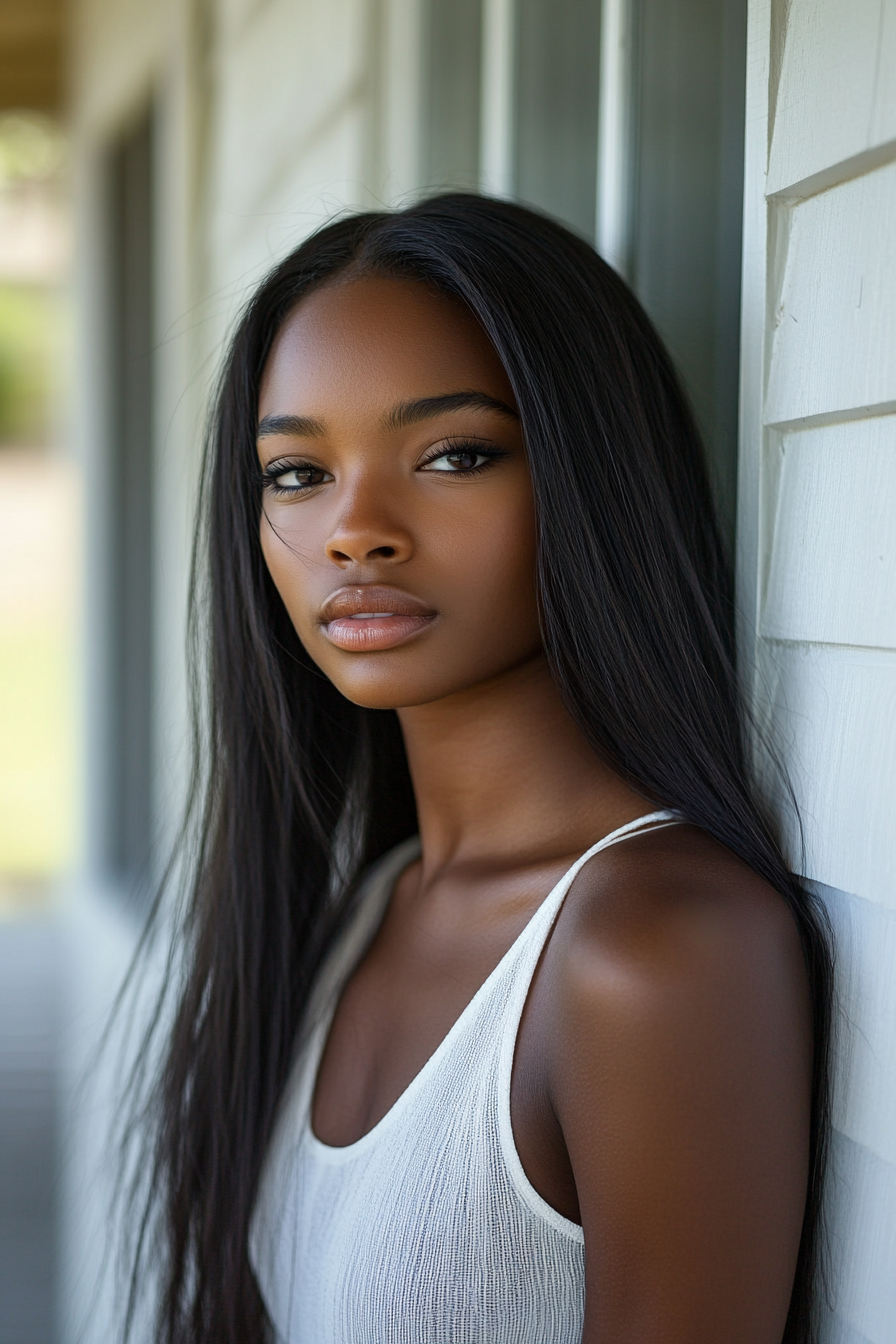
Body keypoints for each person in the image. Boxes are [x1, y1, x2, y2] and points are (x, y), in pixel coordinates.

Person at [137, 195, 831, 1344]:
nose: (355, 530)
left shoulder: (653, 950)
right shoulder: (366, 906)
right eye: (297, 474)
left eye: (454, 454)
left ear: (588, 476)